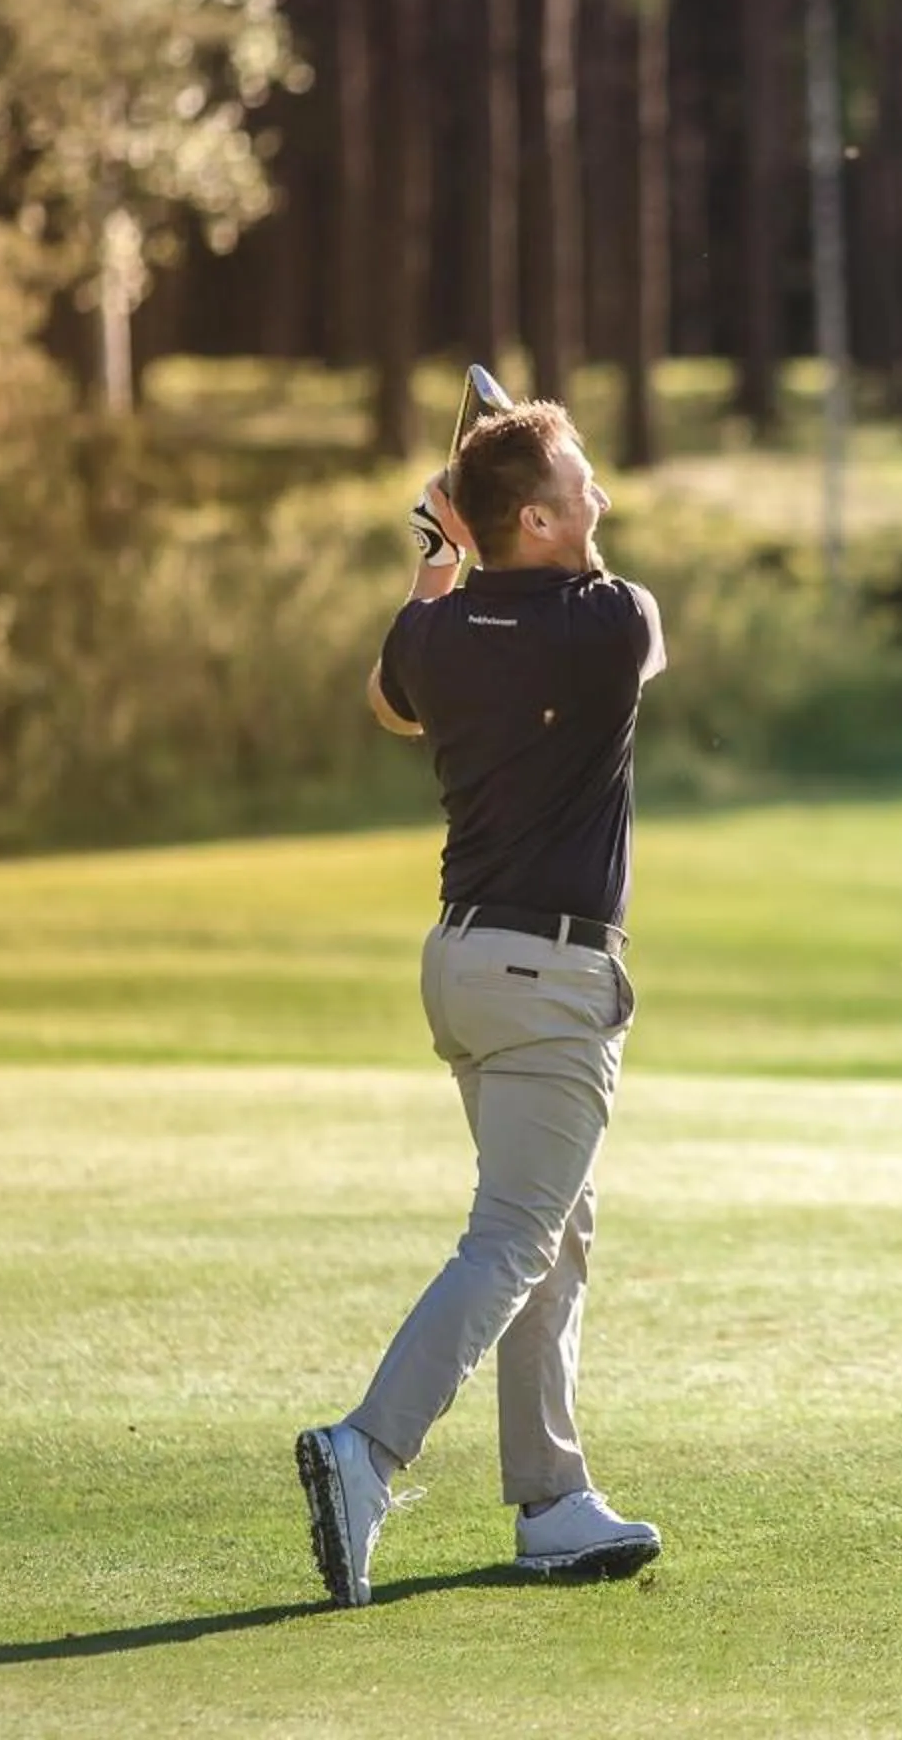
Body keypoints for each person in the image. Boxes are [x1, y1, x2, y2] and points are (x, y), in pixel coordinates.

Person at [295, 399, 669, 1608]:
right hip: (551, 974)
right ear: (542, 519)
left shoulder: (437, 634)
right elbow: (630, 628)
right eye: (584, 486)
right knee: (514, 1235)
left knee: (553, 1230)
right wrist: (481, 551)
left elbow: (390, 696)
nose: (602, 500)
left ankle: (553, 1499)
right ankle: (369, 1447)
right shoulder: (614, 621)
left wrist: (441, 558)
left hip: (461, 964)